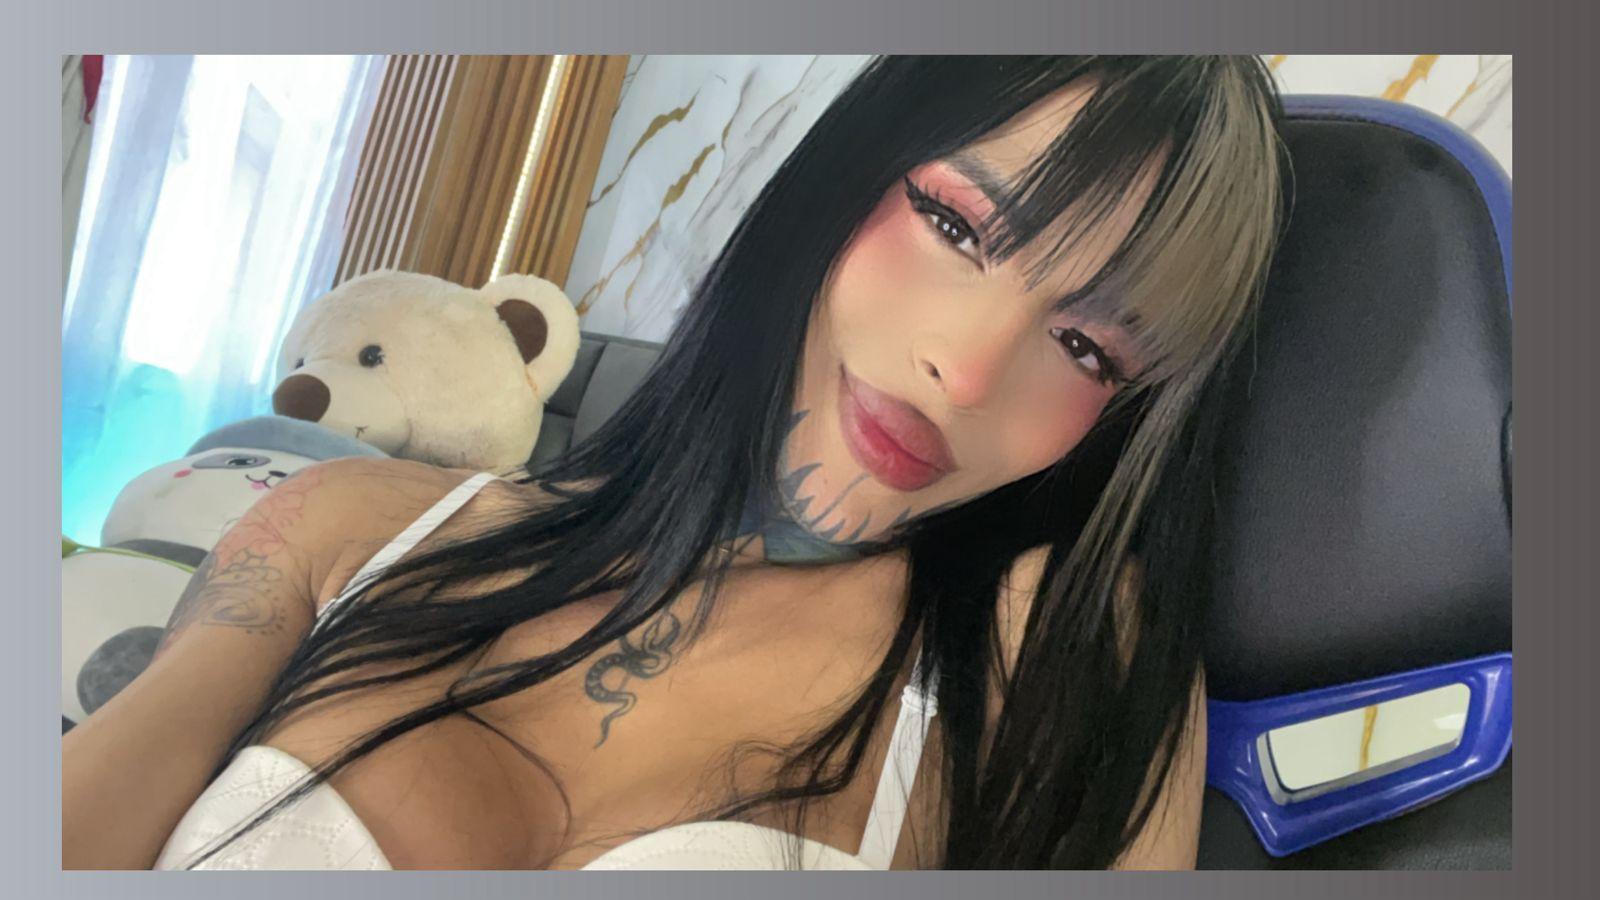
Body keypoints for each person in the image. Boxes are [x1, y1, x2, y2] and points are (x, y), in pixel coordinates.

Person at [62, 55, 1287, 870]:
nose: (964, 374)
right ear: (839, 179)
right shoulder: (332, 522)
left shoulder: (1054, 656)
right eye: (955, 224)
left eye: (1084, 347)